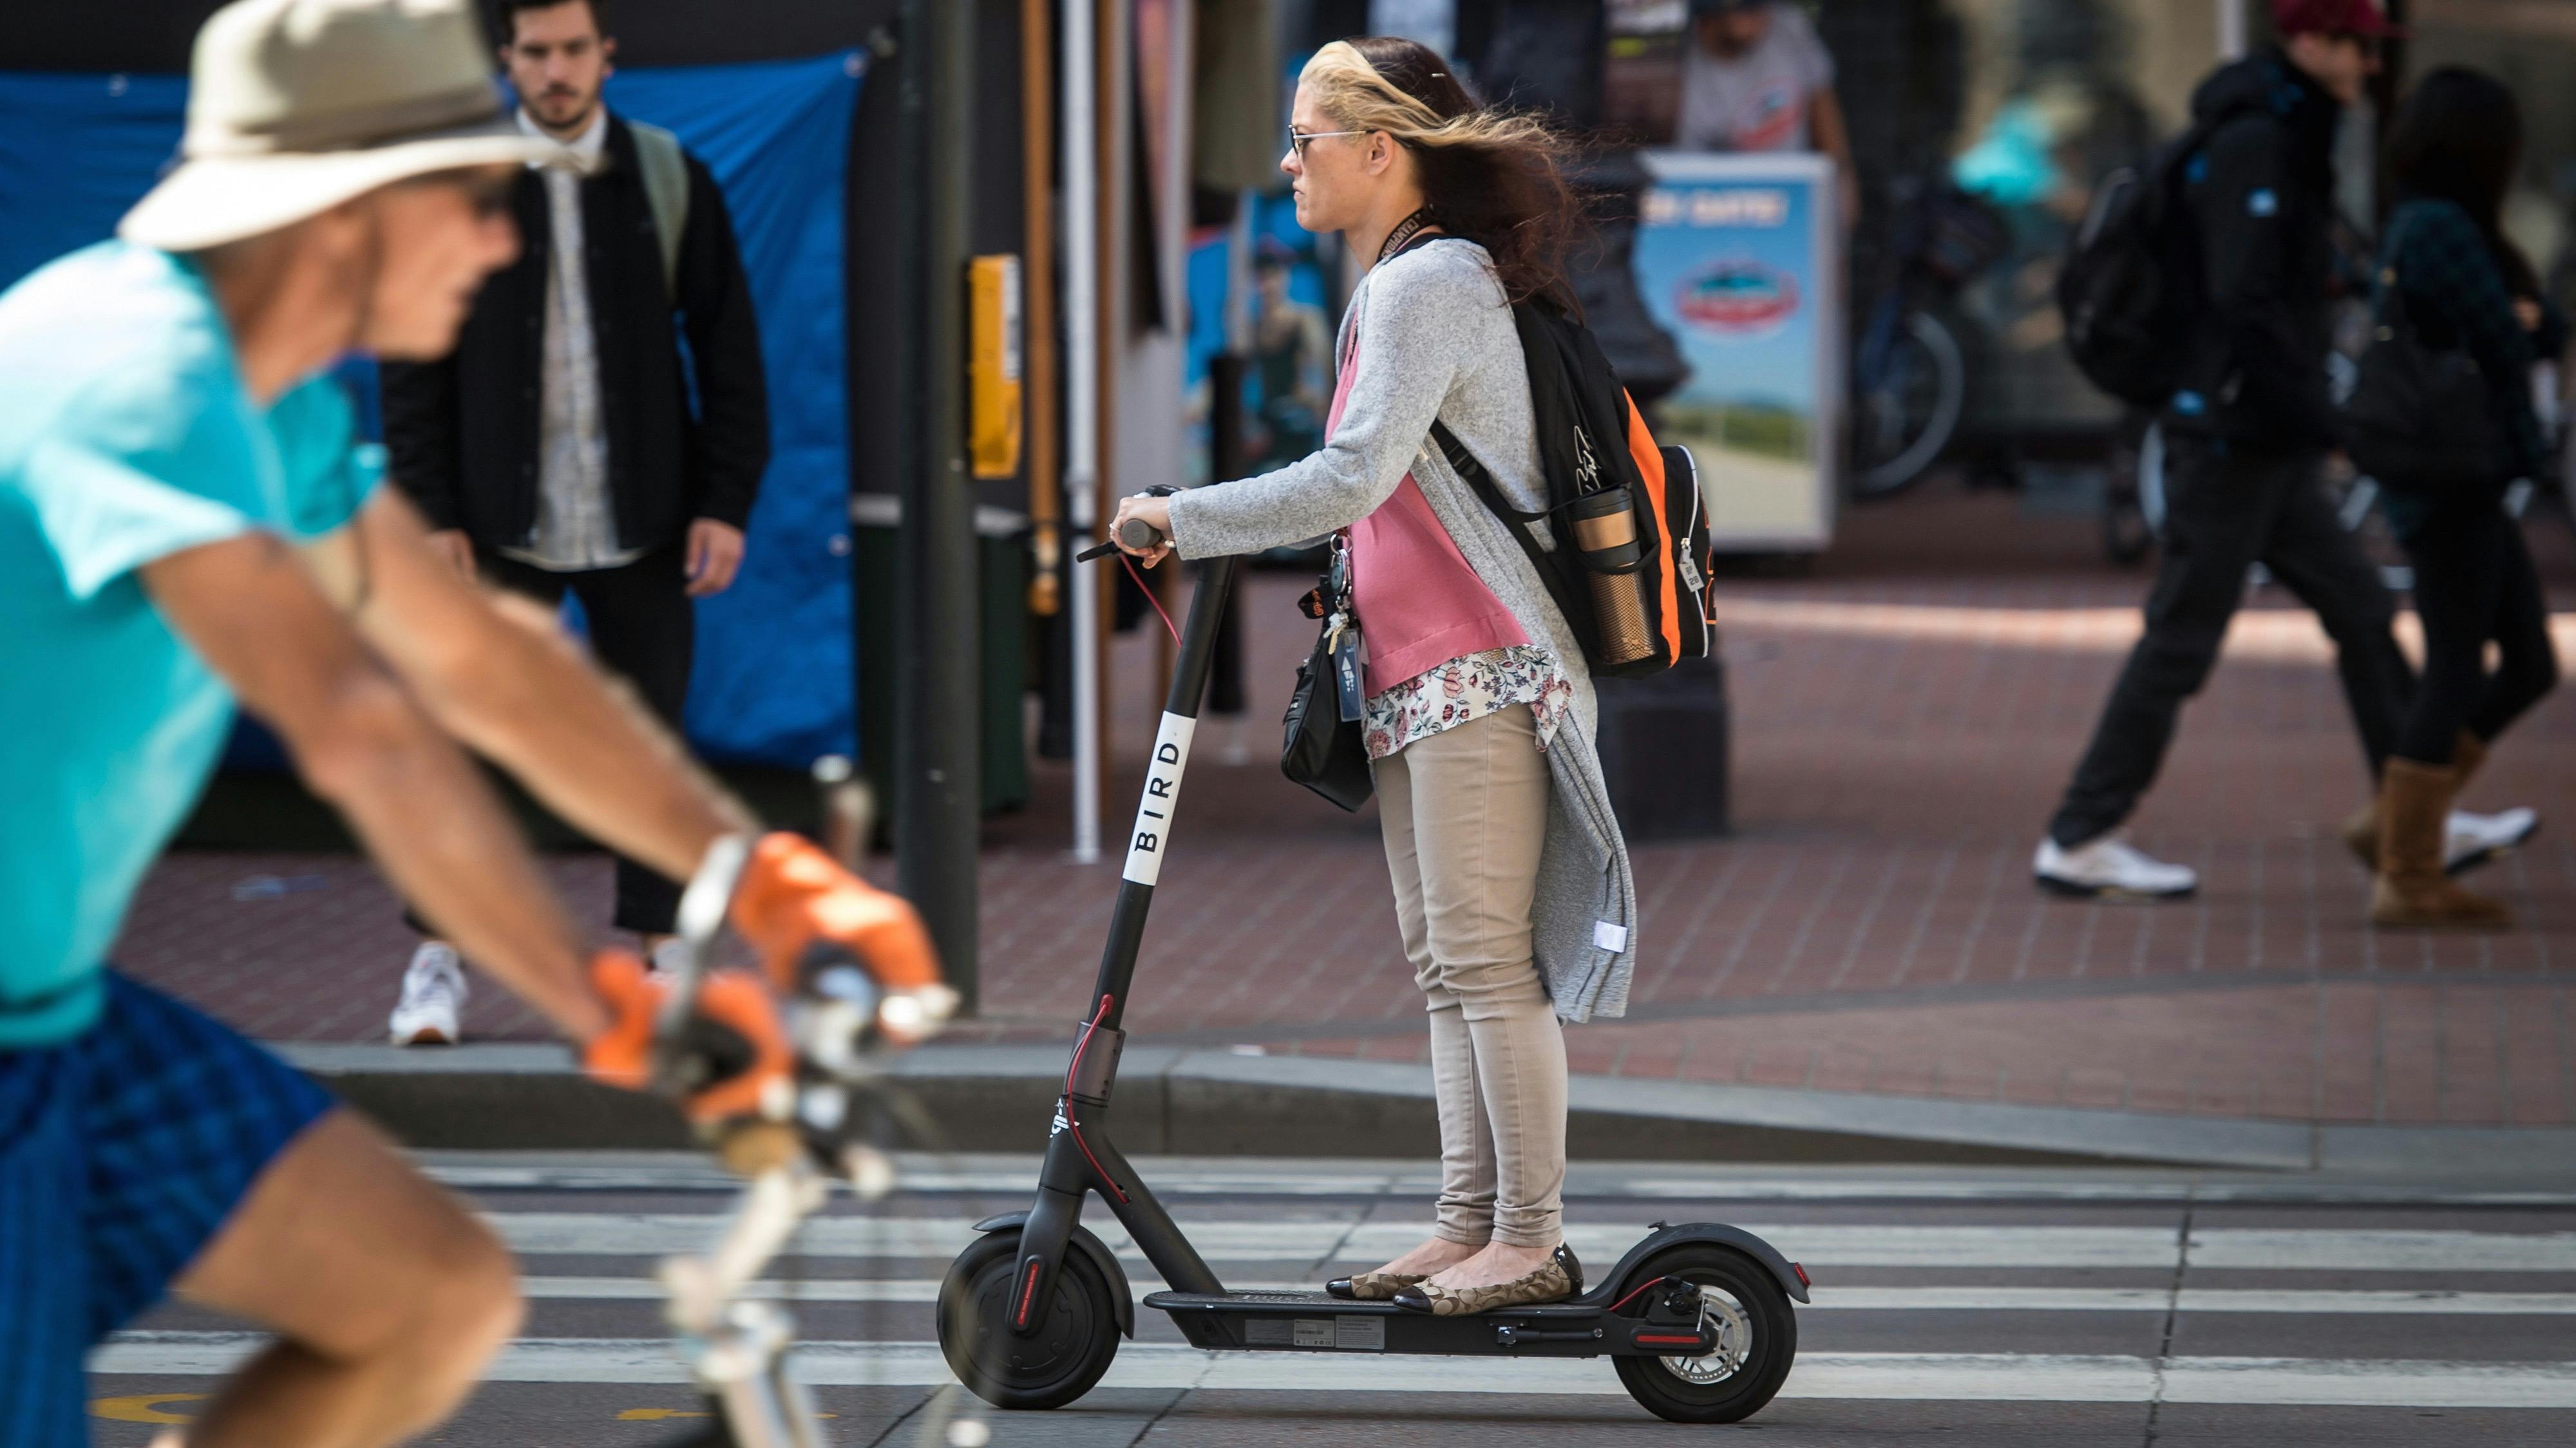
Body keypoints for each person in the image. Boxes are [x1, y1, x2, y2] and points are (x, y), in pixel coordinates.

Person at [0, 3, 946, 1442]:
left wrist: (750, 873)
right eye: (471, 196)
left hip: (50, 1013)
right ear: (347, 212)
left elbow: (487, 663)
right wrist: (610, 1007)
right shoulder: (146, 381)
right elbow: (367, 724)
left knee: (429, 1290)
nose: (500, 236)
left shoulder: (269, 410)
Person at [1112, 36, 1635, 1316]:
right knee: (1447, 961)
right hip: (1419, 668)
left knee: (1481, 960)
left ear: (1380, 148)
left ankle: (1529, 1234)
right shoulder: (1406, 279)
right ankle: (1466, 1220)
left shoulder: (1429, 283)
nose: (1287, 160)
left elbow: (1350, 474)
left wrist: (1185, 512)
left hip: (1479, 666)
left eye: (1305, 136)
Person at [2032, 0, 2533, 899]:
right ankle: (2081, 830)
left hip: (2260, 438)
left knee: (2363, 613)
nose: (2372, 68)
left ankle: (2410, 819)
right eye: (2360, 48)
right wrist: (2324, 418)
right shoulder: (2261, 138)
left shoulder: (2286, 129)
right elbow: (2245, 299)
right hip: (2232, 436)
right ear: (2311, 41)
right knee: (2184, 638)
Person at [380, 0, 770, 1042]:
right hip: (494, 518)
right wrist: (430, 513)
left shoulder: (665, 175)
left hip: (641, 513)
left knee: (645, 745)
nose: (555, 71)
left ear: (606, 55)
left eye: (572, 50)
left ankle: (657, 957)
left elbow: (730, 352)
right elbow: (412, 356)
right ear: (507, 60)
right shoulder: (459, 184)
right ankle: (438, 959)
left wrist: (724, 503)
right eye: (536, 52)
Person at [2363, 68, 2562, 928]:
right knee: (2456, 665)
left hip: (2464, 476)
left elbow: (2539, 326)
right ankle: (2406, 872)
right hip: (2449, 478)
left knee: (2529, 661)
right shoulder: (2439, 226)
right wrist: (2522, 322)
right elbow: (2514, 334)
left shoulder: (2431, 222)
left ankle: (2393, 828)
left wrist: (2526, 323)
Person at [1675, 0, 1859, 229]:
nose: (1758, 13)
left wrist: (1842, 180)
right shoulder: (1679, 67)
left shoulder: (1788, 26)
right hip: (1717, 213)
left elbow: (1822, 105)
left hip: (1795, 201)